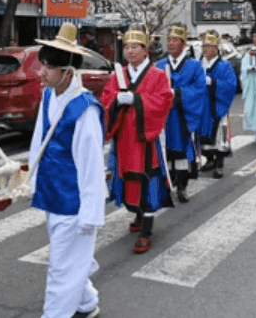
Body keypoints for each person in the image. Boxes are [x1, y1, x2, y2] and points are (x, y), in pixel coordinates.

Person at [28, 23, 106, 318]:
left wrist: (90, 214)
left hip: (73, 200)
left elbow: (91, 166)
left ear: (67, 71)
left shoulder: (84, 108)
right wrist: (32, 180)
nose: (41, 72)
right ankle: (85, 302)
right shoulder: (49, 95)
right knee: (69, 258)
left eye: (48, 67)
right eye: (42, 64)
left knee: (61, 268)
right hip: (52, 192)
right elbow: (39, 139)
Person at [102, 26, 174, 254]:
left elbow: (163, 101)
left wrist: (136, 99)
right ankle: (137, 212)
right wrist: (115, 100)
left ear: (145, 51)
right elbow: (106, 98)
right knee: (128, 177)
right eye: (127, 47)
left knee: (147, 178)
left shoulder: (158, 76)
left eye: (135, 47)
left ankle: (146, 230)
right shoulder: (119, 74)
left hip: (145, 138)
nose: (130, 51)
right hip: (124, 137)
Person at [155, 23, 206, 204]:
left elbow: (199, 89)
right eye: (168, 40)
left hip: (183, 115)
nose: (171, 43)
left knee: (182, 149)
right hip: (164, 117)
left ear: (183, 43)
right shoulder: (160, 65)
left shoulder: (194, 66)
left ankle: (182, 185)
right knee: (164, 149)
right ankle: (167, 185)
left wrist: (176, 94)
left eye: (175, 40)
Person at [198, 30, 237, 179]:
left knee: (219, 134)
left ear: (215, 48)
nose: (205, 49)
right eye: (203, 46)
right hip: (203, 105)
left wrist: (213, 83)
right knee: (203, 133)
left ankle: (219, 163)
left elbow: (231, 85)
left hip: (217, 105)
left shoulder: (224, 66)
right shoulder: (199, 65)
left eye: (208, 46)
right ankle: (208, 159)